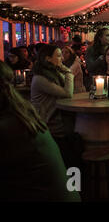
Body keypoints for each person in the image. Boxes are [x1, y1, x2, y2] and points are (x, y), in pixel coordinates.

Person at [0, 61, 80, 201]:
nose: (60, 60)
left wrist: (67, 73)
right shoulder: (21, 111)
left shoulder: (8, 126)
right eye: (58, 56)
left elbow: (68, 93)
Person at [30, 44, 81, 169]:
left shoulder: (53, 73)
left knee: (78, 140)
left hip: (58, 121)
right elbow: (68, 93)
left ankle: (76, 179)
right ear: (47, 58)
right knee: (73, 152)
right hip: (49, 127)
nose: (62, 59)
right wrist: (69, 72)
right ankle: (73, 182)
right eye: (58, 56)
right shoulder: (40, 78)